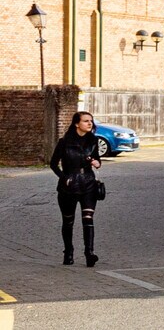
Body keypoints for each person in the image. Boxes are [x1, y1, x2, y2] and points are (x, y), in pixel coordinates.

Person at [48, 111, 103, 266]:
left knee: (88, 218)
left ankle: (89, 253)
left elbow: (97, 159)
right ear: (76, 124)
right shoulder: (64, 142)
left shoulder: (93, 140)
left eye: (91, 121)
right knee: (68, 221)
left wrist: (97, 163)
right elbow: (53, 164)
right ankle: (68, 252)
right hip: (69, 186)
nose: (89, 123)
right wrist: (63, 177)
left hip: (88, 183)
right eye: (86, 121)